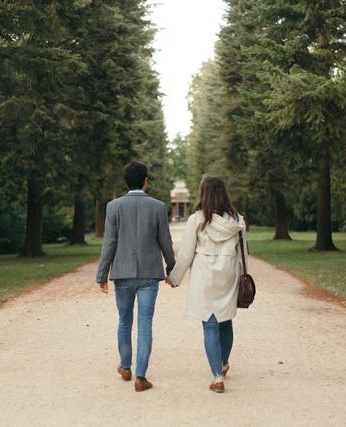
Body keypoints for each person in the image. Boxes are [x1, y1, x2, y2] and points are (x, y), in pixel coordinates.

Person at [96, 161, 176, 392]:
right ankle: (141, 377)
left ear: (126, 181)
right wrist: (172, 269)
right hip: (150, 275)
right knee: (145, 323)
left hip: (122, 273)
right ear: (145, 181)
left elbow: (109, 243)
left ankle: (125, 366)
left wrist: (102, 274)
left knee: (124, 320)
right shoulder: (158, 207)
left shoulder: (113, 207)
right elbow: (166, 243)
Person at [168, 175, 247, 393]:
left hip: (205, 274)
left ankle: (217, 376)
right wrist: (244, 277)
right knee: (226, 320)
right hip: (228, 272)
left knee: (210, 322)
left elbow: (185, 254)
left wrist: (175, 278)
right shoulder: (237, 221)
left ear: (204, 194)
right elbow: (244, 253)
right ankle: (223, 362)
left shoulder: (197, 219)